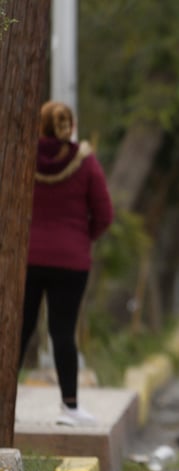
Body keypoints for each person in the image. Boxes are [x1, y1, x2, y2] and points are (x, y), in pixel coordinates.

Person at [19, 100, 113, 427]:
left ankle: (4, 403)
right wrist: (80, 239)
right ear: (70, 126)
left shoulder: (21, 156)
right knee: (62, 331)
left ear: (40, 125)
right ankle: (70, 407)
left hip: (27, 258)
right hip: (72, 263)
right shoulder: (85, 163)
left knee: (19, 329)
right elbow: (104, 214)